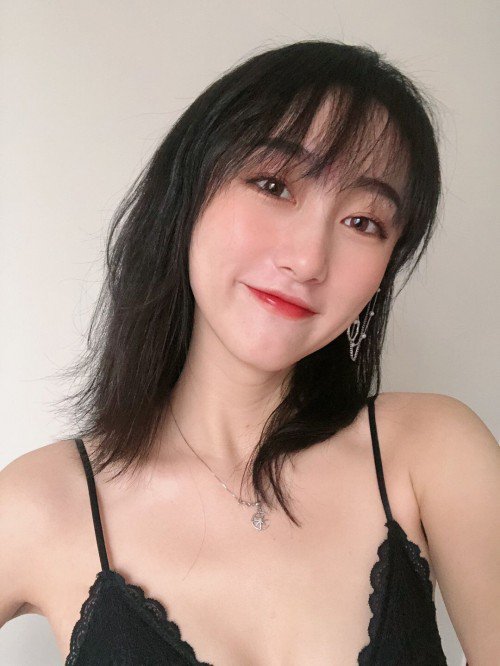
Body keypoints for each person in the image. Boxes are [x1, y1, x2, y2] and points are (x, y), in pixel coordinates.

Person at [0, 39, 498, 666]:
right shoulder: (41, 504)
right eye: (274, 184)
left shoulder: (431, 452)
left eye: (364, 222)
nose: (308, 259)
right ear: (188, 193)